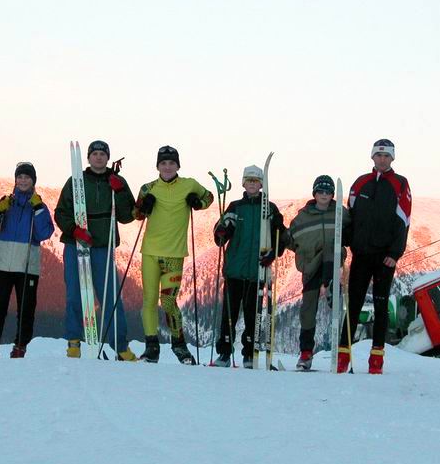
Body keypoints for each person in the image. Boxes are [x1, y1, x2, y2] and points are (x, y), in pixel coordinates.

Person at [54, 140, 138, 361]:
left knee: (110, 296)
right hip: (76, 244)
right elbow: (61, 212)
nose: (99, 157)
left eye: (102, 154)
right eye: (95, 154)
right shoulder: (75, 181)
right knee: (75, 294)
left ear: (107, 158)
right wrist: (74, 230)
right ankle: (74, 342)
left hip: (103, 245)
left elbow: (127, 216)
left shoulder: (117, 181)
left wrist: (120, 191)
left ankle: (120, 345)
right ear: (89, 158)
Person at [133, 145, 214, 365]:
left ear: (178, 165)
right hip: (150, 253)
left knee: (168, 302)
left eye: (171, 163)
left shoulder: (189, 184)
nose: (167, 167)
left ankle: (179, 346)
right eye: (163, 163)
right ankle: (151, 348)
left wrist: (198, 203)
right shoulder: (148, 188)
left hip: (174, 256)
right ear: (157, 166)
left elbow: (209, 198)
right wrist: (144, 206)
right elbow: (136, 214)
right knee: (149, 300)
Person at [339, 139, 411, 374]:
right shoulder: (361, 182)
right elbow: (350, 217)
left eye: (386, 156)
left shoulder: (400, 184)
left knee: (381, 307)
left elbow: (403, 220)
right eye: (378, 155)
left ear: (392, 158)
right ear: (372, 157)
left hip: (384, 257)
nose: (382, 159)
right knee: (354, 306)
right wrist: (346, 241)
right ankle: (342, 356)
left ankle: (376, 359)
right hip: (361, 254)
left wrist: (395, 253)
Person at [212, 165, 287, 368]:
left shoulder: (269, 208)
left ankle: (248, 354)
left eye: (256, 181)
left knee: (252, 315)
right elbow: (220, 234)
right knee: (229, 314)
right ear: (243, 183)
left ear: (261, 184)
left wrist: (273, 252)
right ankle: (224, 353)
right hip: (235, 269)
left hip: (257, 271)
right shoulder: (236, 207)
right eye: (249, 180)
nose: (252, 184)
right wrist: (221, 232)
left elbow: (281, 235)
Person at [0, 162, 55, 358]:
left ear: (33, 181)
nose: (23, 180)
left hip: (27, 266)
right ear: (15, 180)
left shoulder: (39, 206)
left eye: (27, 177)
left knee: (26, 309)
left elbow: (44, 233)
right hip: (3, 264)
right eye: (20, 177)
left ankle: (20, 346)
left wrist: (38, 208)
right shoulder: (6, 203)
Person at [285, 175, 351, 371]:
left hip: (331, 262)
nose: (324, 195)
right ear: (314, 193)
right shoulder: (302, 218)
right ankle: (306, 353)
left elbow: (353, 231)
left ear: (332, 194)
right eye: (320, 191)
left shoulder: (341, 213)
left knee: (331, 248)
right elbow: (290, 240)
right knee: (308, 309)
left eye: (328, 191)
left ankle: (330, 283)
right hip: (311, 266)